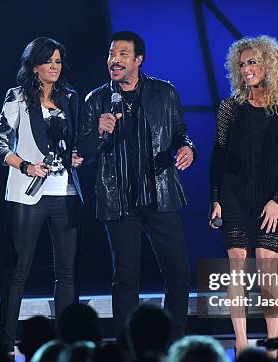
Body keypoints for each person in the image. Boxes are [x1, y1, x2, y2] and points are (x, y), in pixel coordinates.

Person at [80, 31, 196, 341]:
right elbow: (84, 154)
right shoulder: (97, 99)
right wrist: (98, 133)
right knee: (126, 278)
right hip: (119, 200)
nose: (114, 60)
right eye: (111, 54)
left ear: (138, 60)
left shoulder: (163, 92)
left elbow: (180, 132)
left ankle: (173, 340)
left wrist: (187, 147)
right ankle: (127, 344)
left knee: (178, 274)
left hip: (160, 194)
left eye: (121, 54)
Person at [209, 36, 278, 355]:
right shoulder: (229, 108)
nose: (247, 69)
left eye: (253, 62)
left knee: (267, 268)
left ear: (270, 65)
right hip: (234, 195)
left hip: (269, 199)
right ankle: (241, 342)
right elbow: (218, 156)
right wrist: (216, 198)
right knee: (237, 266)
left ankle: (273, 345)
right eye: (243, 63)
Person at [0, 37, 83, 354]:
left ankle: (67, 341)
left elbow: (73, 140)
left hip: (65, 192)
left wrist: (75, 155)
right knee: (19, 270)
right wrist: (26, 166)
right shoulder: (17, 98)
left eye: (58, 61)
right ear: (34, 67)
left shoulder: (70, 98)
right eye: (49, 62)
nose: (55, 67)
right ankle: (6, 340)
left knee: (67, 272)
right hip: (27, 195)